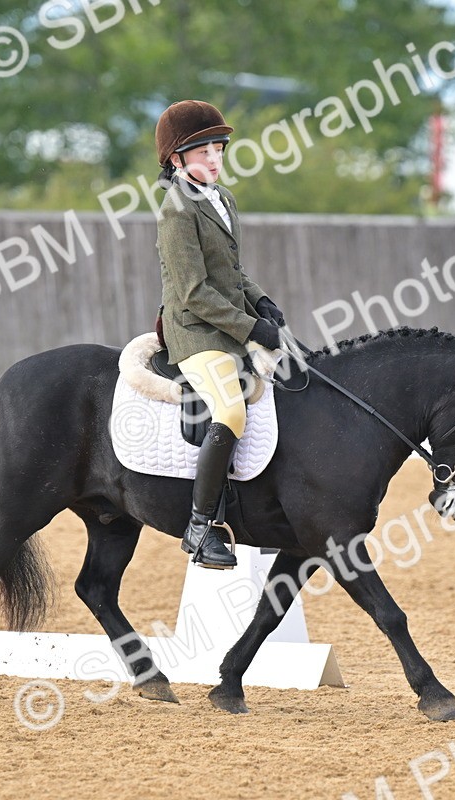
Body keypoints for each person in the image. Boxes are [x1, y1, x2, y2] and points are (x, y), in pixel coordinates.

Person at [154, 100, 286, 570]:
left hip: (229, 322)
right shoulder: (176, 210)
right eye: (203, 151)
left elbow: (232, 274)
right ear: (176, 160)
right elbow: (194, 292)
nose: (214, 158)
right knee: (231, 409)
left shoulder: (222, 199)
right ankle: (200, 526)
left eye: (219, 149)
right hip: (195, 332)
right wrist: (252, 327)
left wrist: (263, 301)